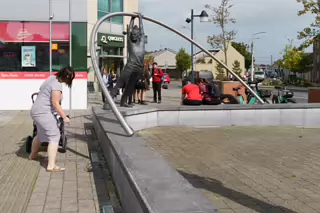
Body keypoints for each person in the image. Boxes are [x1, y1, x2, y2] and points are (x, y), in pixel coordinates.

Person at [29, 66, 75, 172]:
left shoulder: (51, 78)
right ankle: (51, 166)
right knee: (55, 135)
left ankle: (32, 156)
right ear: (67, 77)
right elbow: (55, 103)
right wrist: (64, 117)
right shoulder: (57, 85)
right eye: (70, 79)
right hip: (43, 112)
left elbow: (42, 91)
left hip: (35, 110)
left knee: (40, 134)